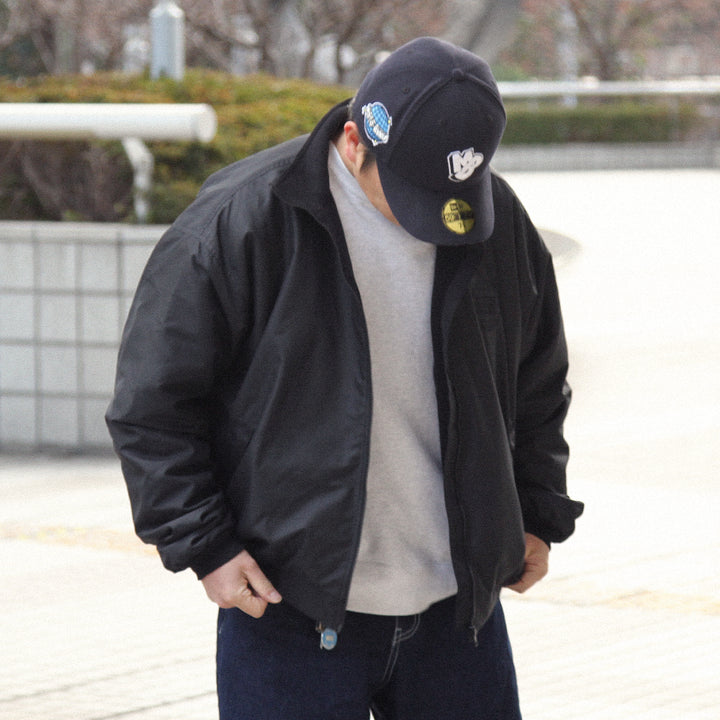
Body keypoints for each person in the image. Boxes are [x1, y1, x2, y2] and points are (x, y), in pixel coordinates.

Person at [107, 36, 584, 720]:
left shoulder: (492, 220)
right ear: (356, 141)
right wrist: (206, 546)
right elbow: (152, 405)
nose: (439, 218)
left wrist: (538, 512)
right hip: (289, 610)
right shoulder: (242, 222)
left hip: (459, 618)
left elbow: (537, 378)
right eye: (416, 194)